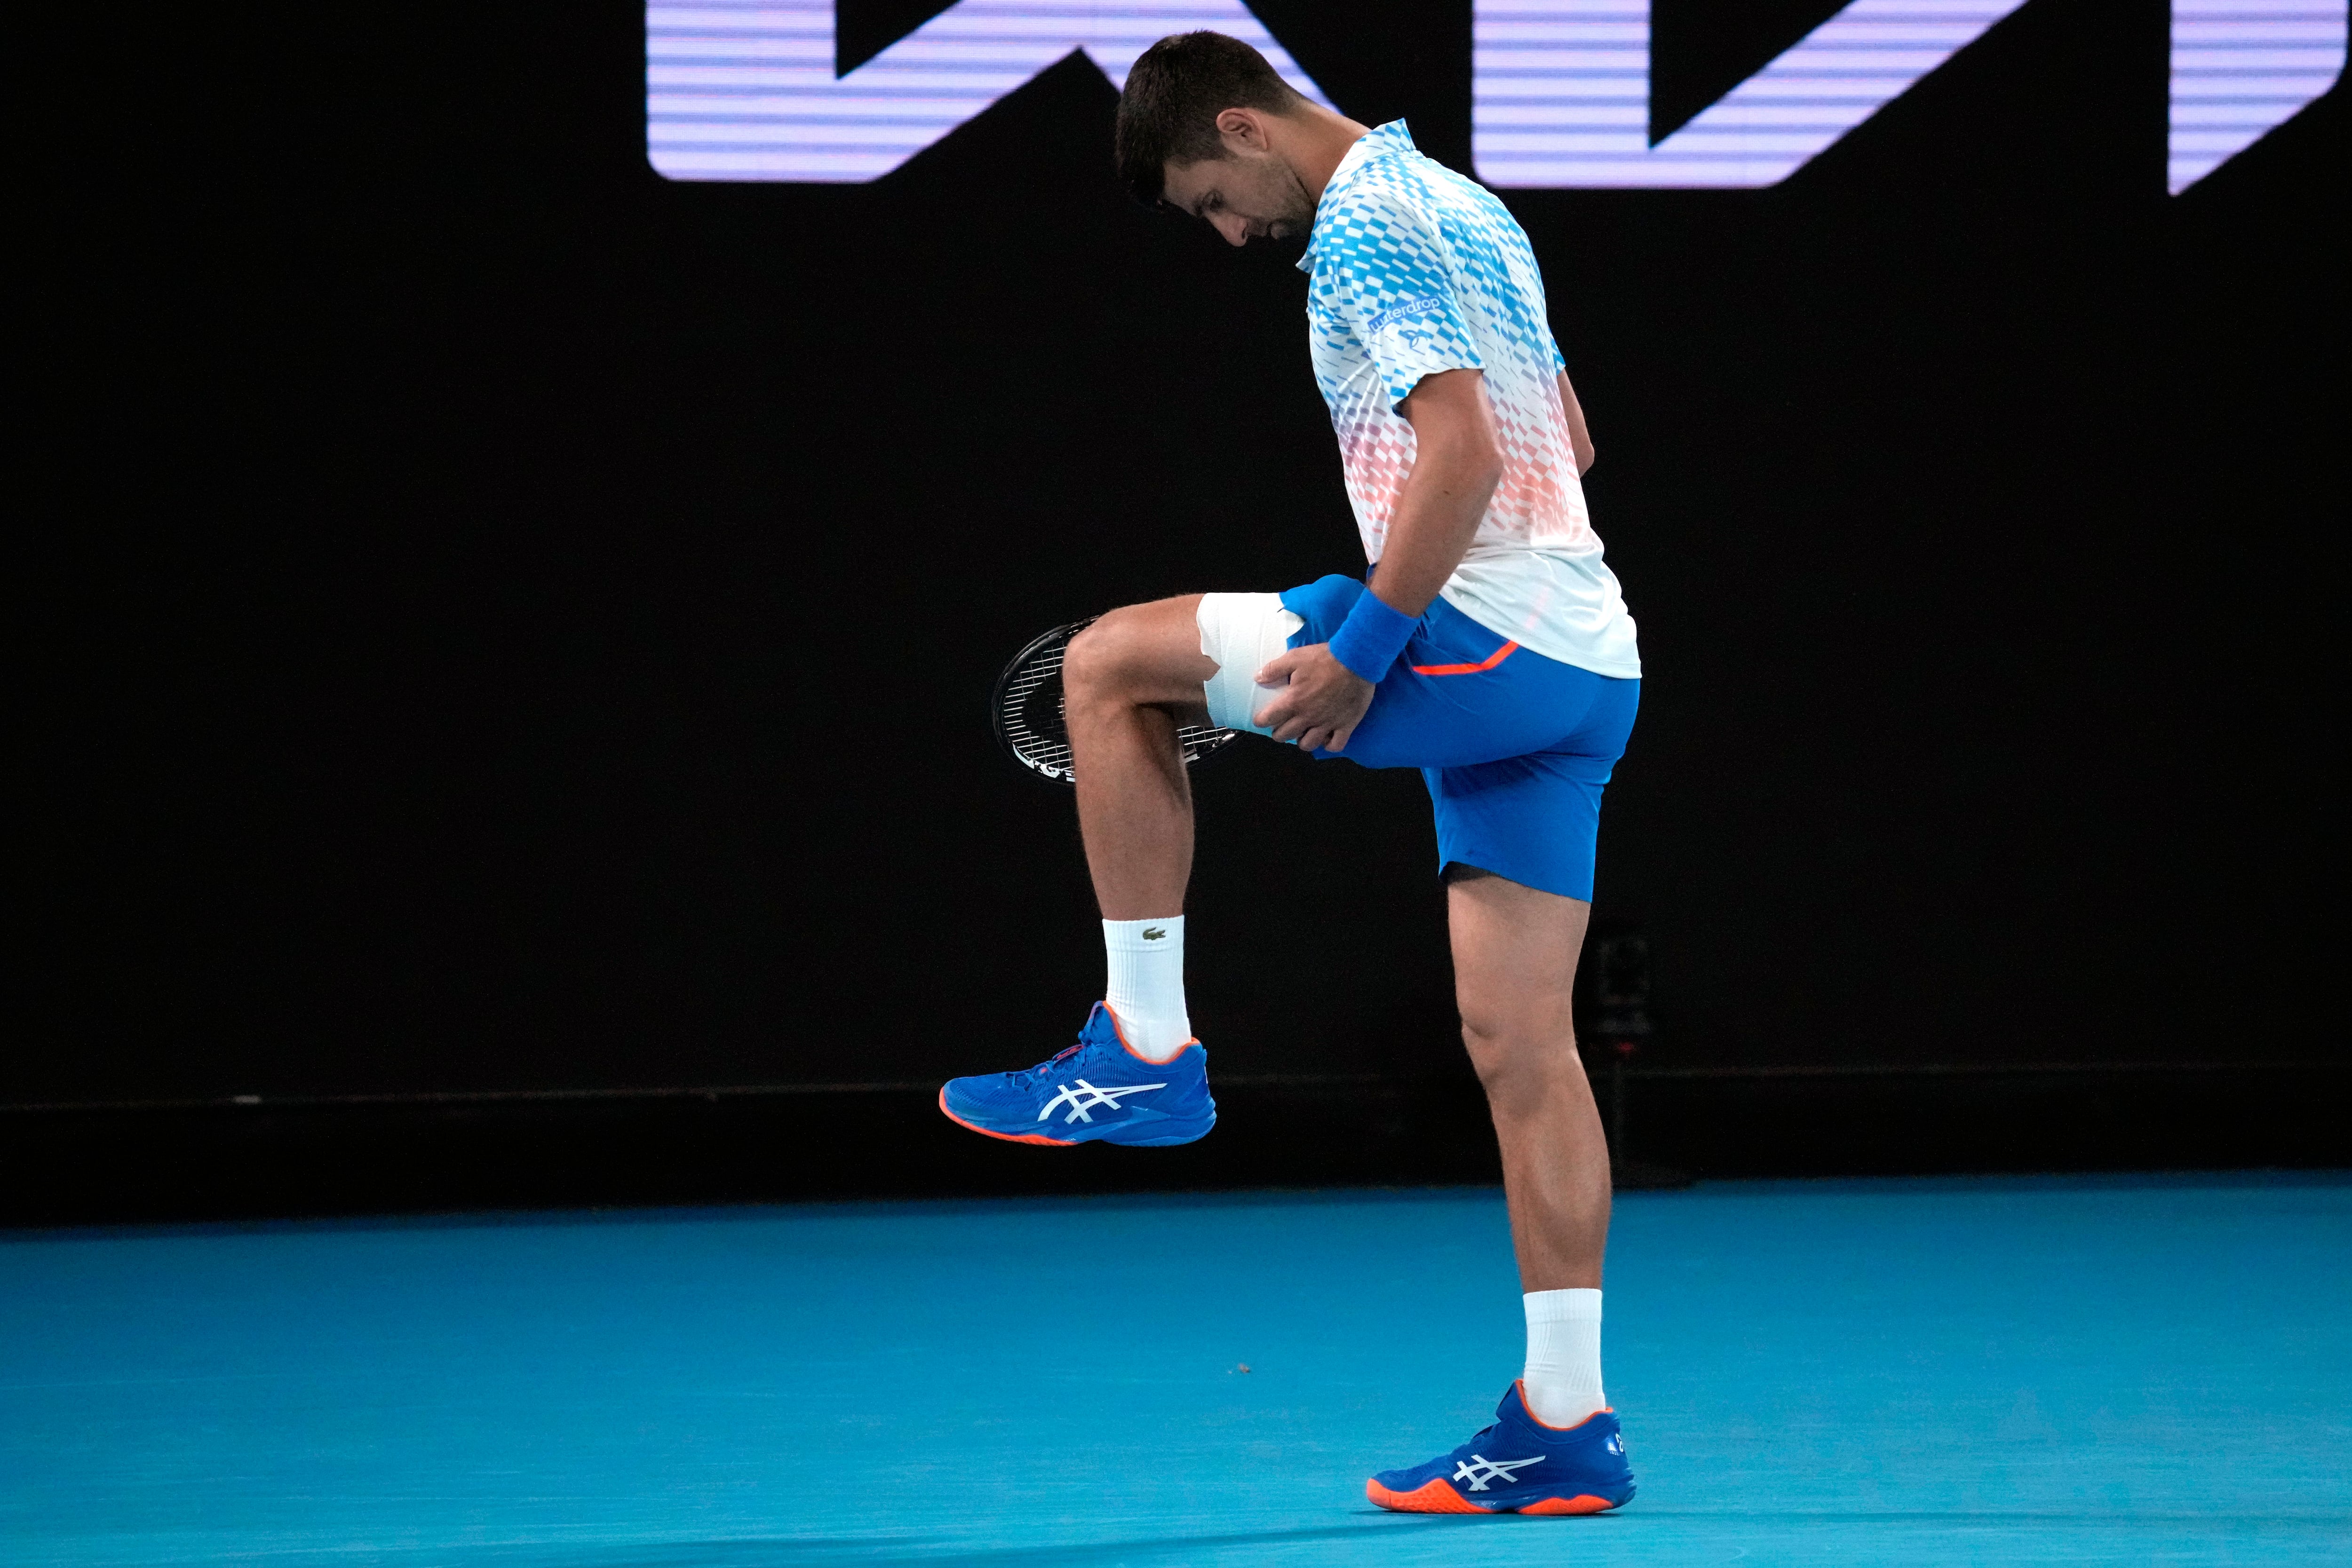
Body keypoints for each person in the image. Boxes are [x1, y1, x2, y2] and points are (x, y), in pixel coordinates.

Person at [937, 31, 1641, 1516]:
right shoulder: (1464, 199)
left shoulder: (1363, 234)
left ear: (1248, 129)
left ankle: (1141, 1049)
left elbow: (1455, 450)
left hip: (1478, 643)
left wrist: (1368, 647)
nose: (1231, 233)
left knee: (1106, 666)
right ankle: (1564, 1422)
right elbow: (1564, 435)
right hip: (1586, 670)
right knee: (1524, 1049)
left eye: (1211, 198)